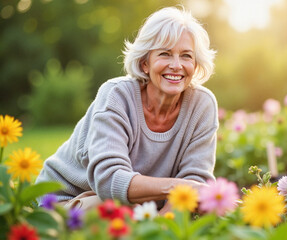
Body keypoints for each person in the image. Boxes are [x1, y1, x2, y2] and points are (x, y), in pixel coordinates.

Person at [35, 6, 218, 213]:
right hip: (65, 200)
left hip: (138, 207)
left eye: (186, 56)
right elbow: (109, 181)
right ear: (145, 63)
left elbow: (195, 181)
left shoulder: (202, 105)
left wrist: (160, 226)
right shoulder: (116, 95)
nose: (176, 65)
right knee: (113, 212)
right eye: (165, 54)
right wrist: (177, 187)